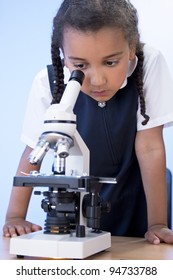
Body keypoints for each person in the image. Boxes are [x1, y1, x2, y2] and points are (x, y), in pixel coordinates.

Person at [3, 0, 173, 245]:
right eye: (80, 66)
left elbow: (150, 147)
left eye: (110, 62)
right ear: (63, 55)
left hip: (141, 199)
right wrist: (14, 217)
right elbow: (33, 150)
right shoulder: (48, 82)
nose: (97, 80)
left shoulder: (148, 63)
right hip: (76, 206)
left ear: (131, 46)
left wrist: (157, 223)